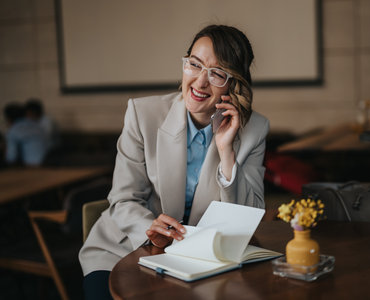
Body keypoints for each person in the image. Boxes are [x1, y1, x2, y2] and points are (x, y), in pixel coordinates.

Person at [79, 24, 269, 299]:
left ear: (234, 83)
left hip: (199, 261)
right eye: (194, 64)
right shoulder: (142, 114)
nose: (200, 82)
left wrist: (226, 151)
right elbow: (123, 200)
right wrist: (150, 228)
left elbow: (247, 218)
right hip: (125, 249)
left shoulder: (254, 130)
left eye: (217, 74)